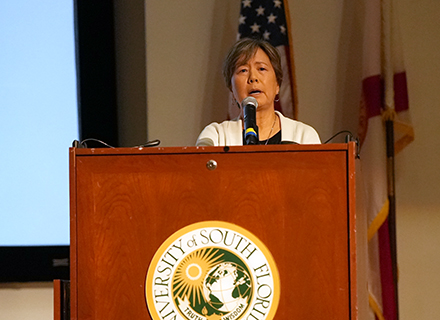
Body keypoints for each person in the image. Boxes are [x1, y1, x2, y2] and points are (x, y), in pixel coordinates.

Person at [196, 38, 321, 146]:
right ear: (232, 90)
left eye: (261, 68)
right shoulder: (215, 136)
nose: (253, 78)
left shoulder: (304, 136)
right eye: (243, 70)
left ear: (277, 84)